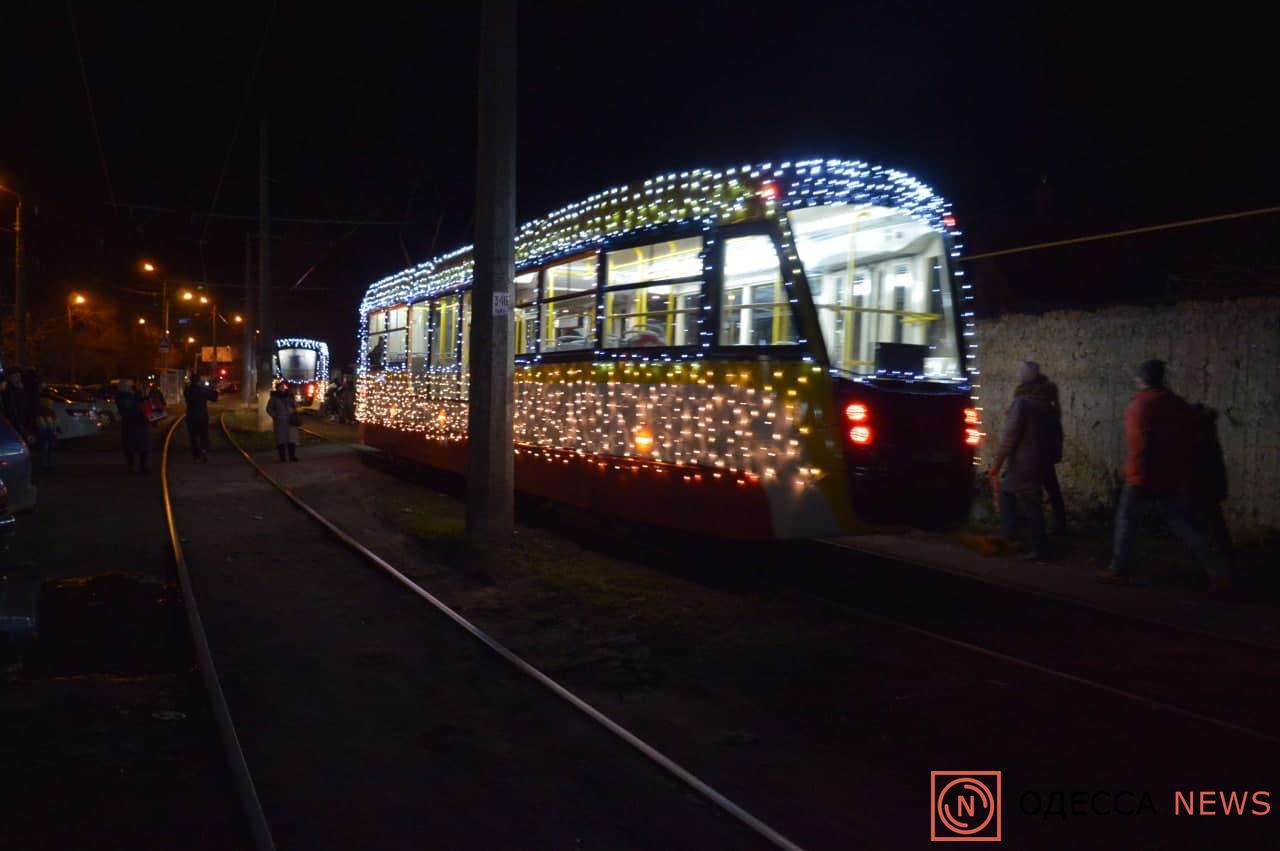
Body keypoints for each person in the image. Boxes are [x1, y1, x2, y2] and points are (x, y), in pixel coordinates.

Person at [1098, 360, 1230, 591]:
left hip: (1143, 477)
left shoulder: (1139, 404)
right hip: (1174, 477)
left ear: (1141, 379)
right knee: (1186, 525)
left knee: (1127, 520)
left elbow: (1138, 443)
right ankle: (1219, 574)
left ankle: (1118, 569)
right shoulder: (1178, 405)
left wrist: (1135, 475)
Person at [988, 362, 1058, 563]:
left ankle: (1038, 550)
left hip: (1023, 463)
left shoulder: (1022, 404)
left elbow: (1010, 437)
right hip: (1038, 462)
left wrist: (997, 463)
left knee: (1031, 504)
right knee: (1009, 493)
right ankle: (1013, 537)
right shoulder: (1045, 405)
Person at [1012, 362, 1067, 534]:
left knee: (1028, 491)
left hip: (1030, 452)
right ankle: (1059, 524)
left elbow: (1017, 426)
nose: (1018, 374)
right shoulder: (1049, 394)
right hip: (1046, 449)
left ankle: (1031, 532)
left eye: (1021, 372)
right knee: (1051, 487)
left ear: (1028, 375)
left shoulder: (1026, 396)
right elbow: (1056, 424)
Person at [1190, 402, 1234, 574]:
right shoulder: (1209, 433)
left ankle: (1218, 567)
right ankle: (1224, 562)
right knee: (1215, 525)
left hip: (1203, 488)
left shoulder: (1201, 436)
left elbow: (1198, 465)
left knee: (1207, 527)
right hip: (1212, 487)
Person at [115, 378, 151, 473]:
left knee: (130, 447)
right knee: (142, 446)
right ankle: (141, 467)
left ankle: (132, 467)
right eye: (132, 386)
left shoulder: (122, 397)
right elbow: (138, 406)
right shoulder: (128, 397)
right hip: (137, 423)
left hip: (129, 424)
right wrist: (144, 396)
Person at [183, 375, 219, 463]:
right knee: (204, 435)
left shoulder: (187, 390)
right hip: (202, 416)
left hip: (191, 416)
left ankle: (196, 456)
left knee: (193, 437)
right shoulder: (203, 390)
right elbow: (214, 398)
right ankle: (204, 451)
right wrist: (213, 388)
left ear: (191, 381)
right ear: (199, 381)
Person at [266, 381, 300, 462]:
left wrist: (293, 400)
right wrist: (276, 416)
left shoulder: (288, 396)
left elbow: (296, 406)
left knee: (291, 440)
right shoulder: (274, 398)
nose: (283, 389)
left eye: (283, 387)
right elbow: (269, 409)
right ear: (277, 388)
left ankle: (292, 456)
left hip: (290, 421)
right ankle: (283, 458)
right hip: (280, 422)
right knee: (281, 440)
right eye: (281, 387)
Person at [35, 382, 59, 469]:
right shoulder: (45, 407)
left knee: (47, 446)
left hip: (48, 429)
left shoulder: (44, 407)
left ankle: (47, 462)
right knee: (47, 447)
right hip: (48, 429)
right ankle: (46, 463)